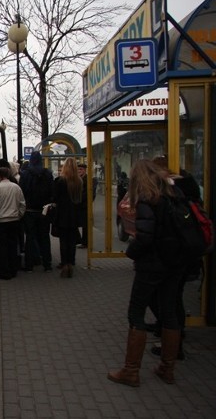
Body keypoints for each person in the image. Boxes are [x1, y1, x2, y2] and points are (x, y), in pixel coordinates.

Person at [107, 159, 184, 387]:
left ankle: (131, 371)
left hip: (152, 265)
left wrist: (132, 252)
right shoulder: (175, 194)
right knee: (169, 312)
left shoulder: (147, 199)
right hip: (176, 263)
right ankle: (167, 368)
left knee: (136, 313)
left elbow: (145, 237)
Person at [147, 155, 202, 360]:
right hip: (184, 251)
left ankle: (172, 344)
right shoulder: (187, 186)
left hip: (171, 254)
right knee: (171, 297)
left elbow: (163, 225)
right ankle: (172, 334)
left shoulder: (170, 191)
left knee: (168, 300)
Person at [0, 166, 26, 280]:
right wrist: (19, 215)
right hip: (14, 221)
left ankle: (4, 272)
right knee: (12, 246)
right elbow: (22, 204)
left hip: (1, 222)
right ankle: (14, 270)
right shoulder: (16, 188)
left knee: (1, 249)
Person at [19, 151, 54, 272]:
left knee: (30, 238)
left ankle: (29, 266)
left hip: (29, 211)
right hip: (44, 210)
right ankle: (47, 264)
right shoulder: (48, 173)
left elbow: (21, 193)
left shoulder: (25, 174)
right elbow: (52, 191)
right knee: (44, 237)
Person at [52, 158, 83, 278]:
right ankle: (71, 262)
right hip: (75, 215)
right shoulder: (79, 181)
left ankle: (64, 264)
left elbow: (55, 198)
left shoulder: (60, 181)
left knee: (63, 240)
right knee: (72, 240)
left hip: (62, 215)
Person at [77, 163, 98, 248]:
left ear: (85, 170)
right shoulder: (77, 179)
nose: (79, 171)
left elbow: (90, 193)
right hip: (79, 205)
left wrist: (80, 199)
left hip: (85, 205)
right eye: (78, 169)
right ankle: (81, 241)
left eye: (81, 169)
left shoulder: (89, 180)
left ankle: (85, 242)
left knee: (86, 225)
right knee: (79, 223)